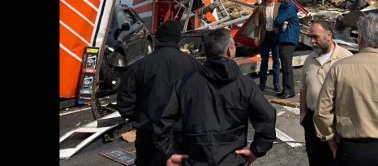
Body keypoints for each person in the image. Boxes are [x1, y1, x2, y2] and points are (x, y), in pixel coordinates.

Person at [154, 28, 276, 166]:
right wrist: (256, 150)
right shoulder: (245, 84)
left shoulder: (186, 82)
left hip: (195, 160)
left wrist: (169, 153)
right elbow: (267, 115)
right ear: (230, 51)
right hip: (232, 160)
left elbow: (162, 120)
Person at [313, 13, 378, 166]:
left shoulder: (339, 69)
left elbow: (322, 113)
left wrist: (332, 144)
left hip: (350, 150)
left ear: (360, 38)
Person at [116, 20, 201, 166]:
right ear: (178, 39)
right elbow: (202, 100)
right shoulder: (193, 65)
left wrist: (139, 118)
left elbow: (125, 101)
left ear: (158, 38)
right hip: (181, 133)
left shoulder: (140, 65)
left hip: (148, 133)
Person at [300, 19, 352, 166]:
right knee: (315, 160)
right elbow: (303, 88)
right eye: (310, 37)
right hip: (312, 120)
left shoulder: (346, 58)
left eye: (315, 37)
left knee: (335, 160)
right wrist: (303, 115)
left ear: (329, 35)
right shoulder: (310, 59)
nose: (311, 41)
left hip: (336, 122)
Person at [253, 0, 281, 92]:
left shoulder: (279, 7)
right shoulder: (261, 7)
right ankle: (262, 84)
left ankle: (277, 84)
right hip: (265, 37)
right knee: (264, 60)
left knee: (276, 61)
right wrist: (256, 37)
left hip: (275, 36)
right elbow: (257, 23)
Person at [273, 0, 300, 98]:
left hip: (288, 40)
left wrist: (280, 21)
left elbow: (277, 20)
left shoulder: (289, 8)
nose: (283, 0)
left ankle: (289, 90)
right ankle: (286, 89)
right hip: (285, 39)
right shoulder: (285, 8)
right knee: (284, 66)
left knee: (287, 66)